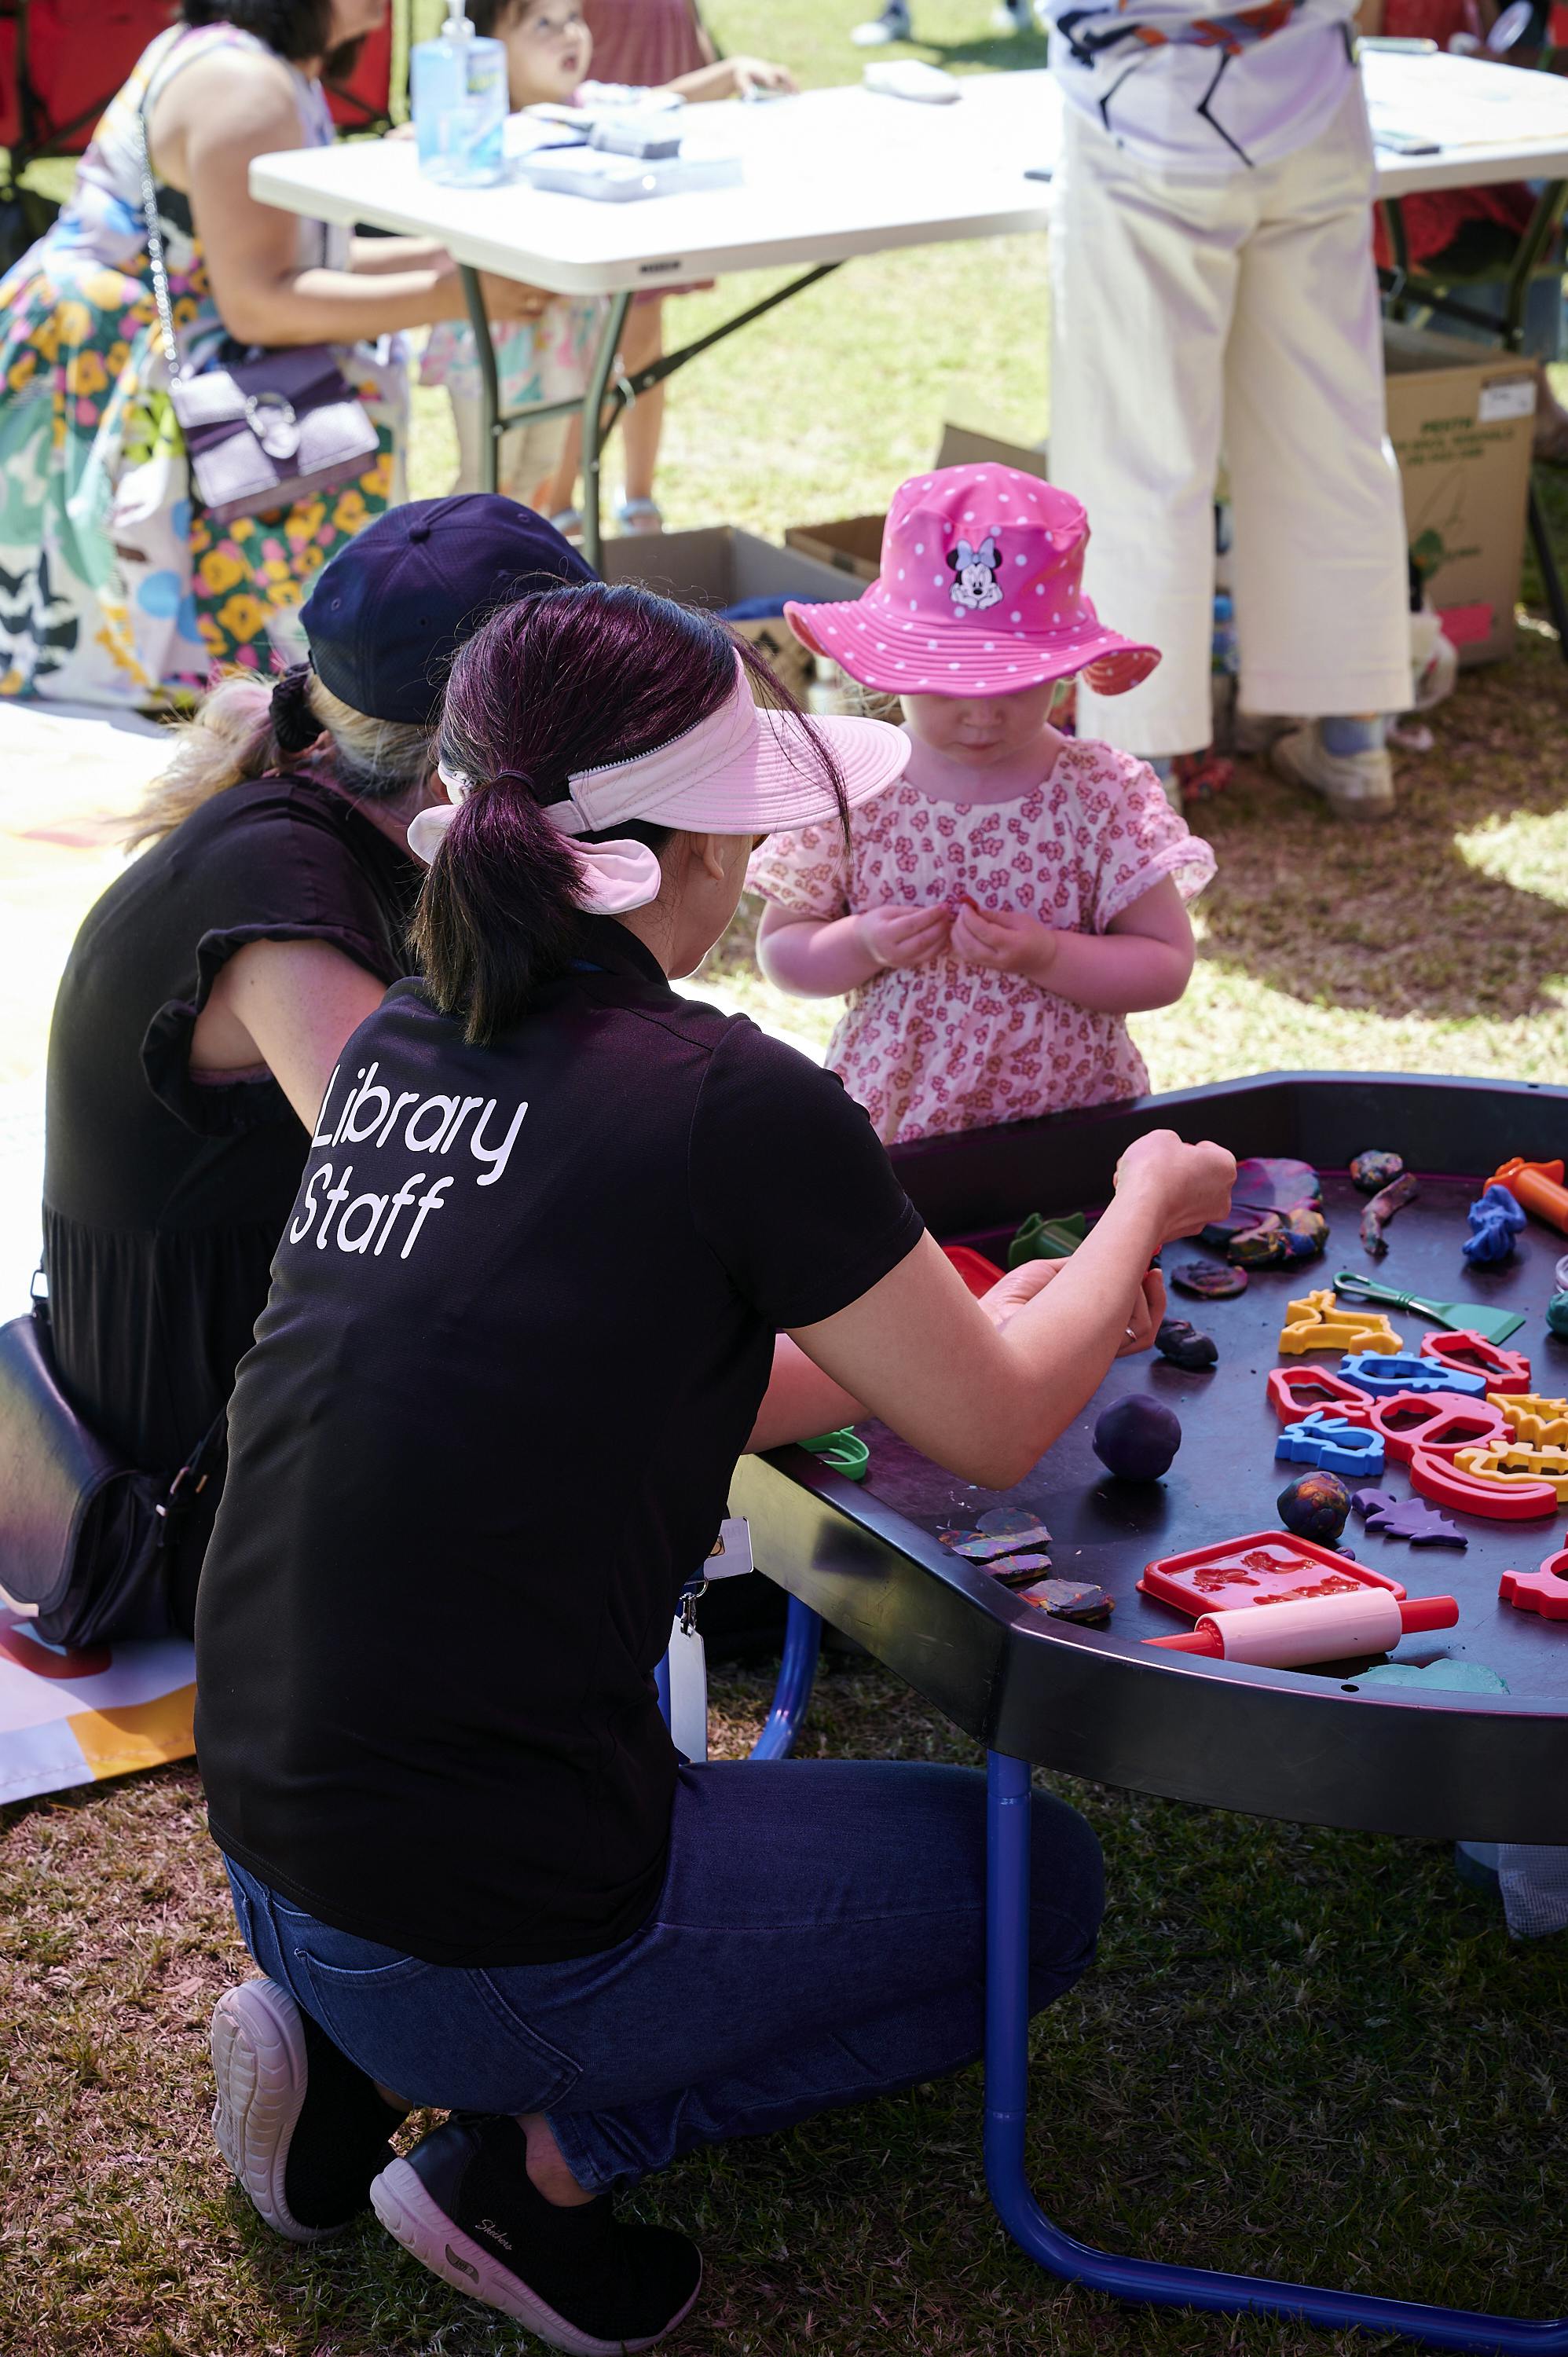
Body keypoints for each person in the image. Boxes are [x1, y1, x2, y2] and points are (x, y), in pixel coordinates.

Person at [196, 578, 1236, 2349]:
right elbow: (986, 1425)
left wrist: (972, 1319)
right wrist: (1138, 1203)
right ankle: (534, 2168)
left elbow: (612, 1382)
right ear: (699, 849)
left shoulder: (397, 1041)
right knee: (1035, 1892)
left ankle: (357, 2045)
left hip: (280, 1848)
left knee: (479, 1870)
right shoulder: (728, 1096)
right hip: (486, 1914)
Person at [41, 495, 592, 1635]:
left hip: (227, 1411)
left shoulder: (326, 823)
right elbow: (451, 1200)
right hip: (198, 1498)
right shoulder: (284, 908)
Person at [0, 0, 548, 706]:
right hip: (101, 370)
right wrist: (465, 296)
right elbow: (257, 300)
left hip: (140, 340)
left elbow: (307, 251)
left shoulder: (270, 67)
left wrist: (458, 266)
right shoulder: (243, 84)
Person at [749, 463, 1215, 1146]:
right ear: (893, 666)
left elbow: (1164, 964)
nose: (980, 717)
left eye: (1015, 687)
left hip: (1072, 1121)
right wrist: (863, 942)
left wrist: (1049, 955)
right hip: (897, 1127)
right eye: (946, 686)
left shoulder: (1098, 793)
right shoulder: (858, 788)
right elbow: (783, 952)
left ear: (1062, 672)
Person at [1045, 0, 1416, 818]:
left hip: (1145, 94)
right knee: (1328, 428)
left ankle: (1143, 763)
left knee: (1137, 447)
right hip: (1305, 85)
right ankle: (1353, 736)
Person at [424, 0, 793, 533]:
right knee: (488, 479)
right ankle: (451, 586)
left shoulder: (588, 108)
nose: (569, 35)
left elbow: (663, 103)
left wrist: (732, 73)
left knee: (538, 480)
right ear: (487, 46)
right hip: (495, 345)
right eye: (543, 24)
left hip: (566, 346)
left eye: (573, 17)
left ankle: (507, 600)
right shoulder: (472, 120)